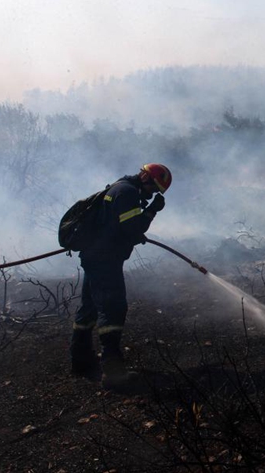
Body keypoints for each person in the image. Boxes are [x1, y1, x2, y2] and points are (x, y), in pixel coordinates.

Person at [69, 163, 172, 388]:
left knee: (89, 308)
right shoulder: (126, 193)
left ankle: (81, 360)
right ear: (144, 176)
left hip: (96, 257)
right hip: (105, 260)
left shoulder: (120, 188)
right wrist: (152, 211)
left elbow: (121, 227)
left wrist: (134, 230)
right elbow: (133, 229)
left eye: (156, 191)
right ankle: (113, 371)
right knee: (113, 308)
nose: (151, 193)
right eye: (152, 187)